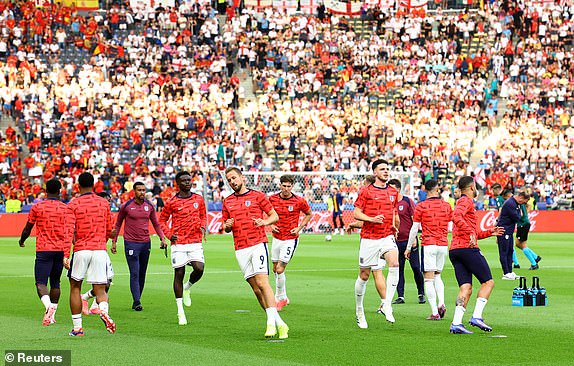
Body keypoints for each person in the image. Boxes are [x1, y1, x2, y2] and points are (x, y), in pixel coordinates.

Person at [222, 167, 289, 339]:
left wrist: (264, 222)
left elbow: (274, 216)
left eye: (234, 178)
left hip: (258, 244)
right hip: (240, 248)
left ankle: (269, 324)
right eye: (229, 180)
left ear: (242, 178)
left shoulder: (258, 196)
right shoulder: (227, 201)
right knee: (256, 289)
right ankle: (279, 323)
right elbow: (225, 226)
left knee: (262, 282)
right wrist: (227, 226)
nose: (232, 182)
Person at [449, 176, 503, 334]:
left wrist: (489, 232)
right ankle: (477, 316)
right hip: (468, 249)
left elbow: (473, 232)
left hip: (455, 250)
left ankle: (456, 323)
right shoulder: (465, 201)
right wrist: (470, 232)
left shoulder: (462, 201)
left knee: (466, 287)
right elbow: (456, 217)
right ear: (472, 187)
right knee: (488, 282)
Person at [18, 179, 73, 326]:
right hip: (60, 250)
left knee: (40, 283)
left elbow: (28, 228)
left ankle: (48, 307)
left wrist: (22, 240)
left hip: (44, 249)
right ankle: (52, 316)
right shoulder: (65, 208)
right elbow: (70, 231)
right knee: (55, 282)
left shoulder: (38, 207)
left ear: (45, 190)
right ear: (60, 191)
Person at [353, 159, 400, 328]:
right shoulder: (366, 191)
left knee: (394, 263)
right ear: (375, 173)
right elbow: (356, 213)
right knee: (364, 275)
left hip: (386, 236)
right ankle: (359, 311)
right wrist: (371, 219)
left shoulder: (393, 192)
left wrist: (394, 225)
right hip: (369, 238)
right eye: (382, 169)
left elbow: (393, 210)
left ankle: (387, 304)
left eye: (387, 169)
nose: (386, 171)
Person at [67, 172, 115, 336]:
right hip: (100, 249)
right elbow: (110, 230)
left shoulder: (73, 204)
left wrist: (66, 254)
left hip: (81, 249)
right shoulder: (104, 203)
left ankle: (78, 328)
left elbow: (68, 232)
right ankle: (103, 310)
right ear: (94, 185)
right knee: (100, 289)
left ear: (78, 186)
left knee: (75, 287)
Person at [159, 171, 207, 326]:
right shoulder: (172, 202)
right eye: (184, 180)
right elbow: (162, 221)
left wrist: (203, 225)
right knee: (179, 273)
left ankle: (188, 287)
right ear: (177, 184)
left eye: (189, 180)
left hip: (194, 241)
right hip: (179, 243)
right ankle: (180, 311)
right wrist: (168, 234)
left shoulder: (198, 199)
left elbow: (203, 215)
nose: (188, 182)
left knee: (199, 269)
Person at [112, 182, 167, 311]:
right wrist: (114, 242)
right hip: (131, 243)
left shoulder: (149, 206)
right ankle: (137, 301)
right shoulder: (126, 206)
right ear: (134, 191)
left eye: (143, 190)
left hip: (145, 243)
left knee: (142, 273)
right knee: (135, 273)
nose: (142, 192)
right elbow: (118, 224)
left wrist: (162, 238)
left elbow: (156, 224)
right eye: (139, 190)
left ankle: (137, 299)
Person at [406, 179, 453, 320]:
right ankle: (442, 303)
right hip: (443, 244)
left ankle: (434, 312)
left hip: (429, 244)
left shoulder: (421, 206)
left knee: (428, 279)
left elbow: (414, 229)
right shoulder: (446, 205)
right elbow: (450, 227)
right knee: (438, 275)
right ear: (437, 189)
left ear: (424, 189)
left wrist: (408, 247)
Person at [268, 175, 312, 311]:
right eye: (284, 186)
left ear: (292, 186)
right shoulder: (272, 199)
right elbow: (265, 212)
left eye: (289, 186)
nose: (286, 189)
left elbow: (309, 214)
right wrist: (270, 225)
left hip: (290, 239)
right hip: (276, 238)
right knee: (275, 269)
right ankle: (284, 297)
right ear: (280, 185)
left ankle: (279, 298)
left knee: (280, 269)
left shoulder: (299, 201)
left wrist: (299, 228)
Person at [346, 175, 387, 315]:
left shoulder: (371, 197)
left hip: (373, 240)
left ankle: (384, 304)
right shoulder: (384, 197)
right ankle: (385, 304)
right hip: (385, 239)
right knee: (377, 272)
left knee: (370, 273)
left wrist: (355, 223)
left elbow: (368, 220)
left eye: (365, 185)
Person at [388, 178, 425, 305]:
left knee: (416, 267)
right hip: (395, 241)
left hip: (410, 240)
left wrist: (414, 237)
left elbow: (415, 220)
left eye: (392, 188)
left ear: (398, 189)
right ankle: (400, 296)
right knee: (399, 268)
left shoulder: (407, 201)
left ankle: (421, 293)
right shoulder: (389, 203)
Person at [81, 192, 115, 316]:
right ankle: (88, 300)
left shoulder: (109, 215)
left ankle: (92, 304)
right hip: (93, 250)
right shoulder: (93, 215)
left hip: (101, 249)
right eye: (106, 200)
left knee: (106, 281)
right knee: (104, 281)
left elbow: (110, 233)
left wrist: (113, 240)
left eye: (110, 200)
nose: (109, 202)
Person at [503, 190, 542, 270]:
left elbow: (521, 211)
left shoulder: (516, 203)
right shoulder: (521, 202)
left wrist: (524, 215)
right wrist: (525, 214)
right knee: (518, 244)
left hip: (522, 224)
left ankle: (534, 263)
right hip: (523, 224)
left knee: (522, 245)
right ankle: (535, 257)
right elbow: (529, 205)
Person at [497, 190, 531, 280]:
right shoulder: (511, 204)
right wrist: (520, 213)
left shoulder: (515, 203)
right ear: (521, 197)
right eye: (524, 201)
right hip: (503, 230)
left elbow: (518, 216)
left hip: (508, 230)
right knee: (504, 252)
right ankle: (506, 273)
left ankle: (510, 271)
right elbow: (517, 217)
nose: (524, 203)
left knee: (509, 251)